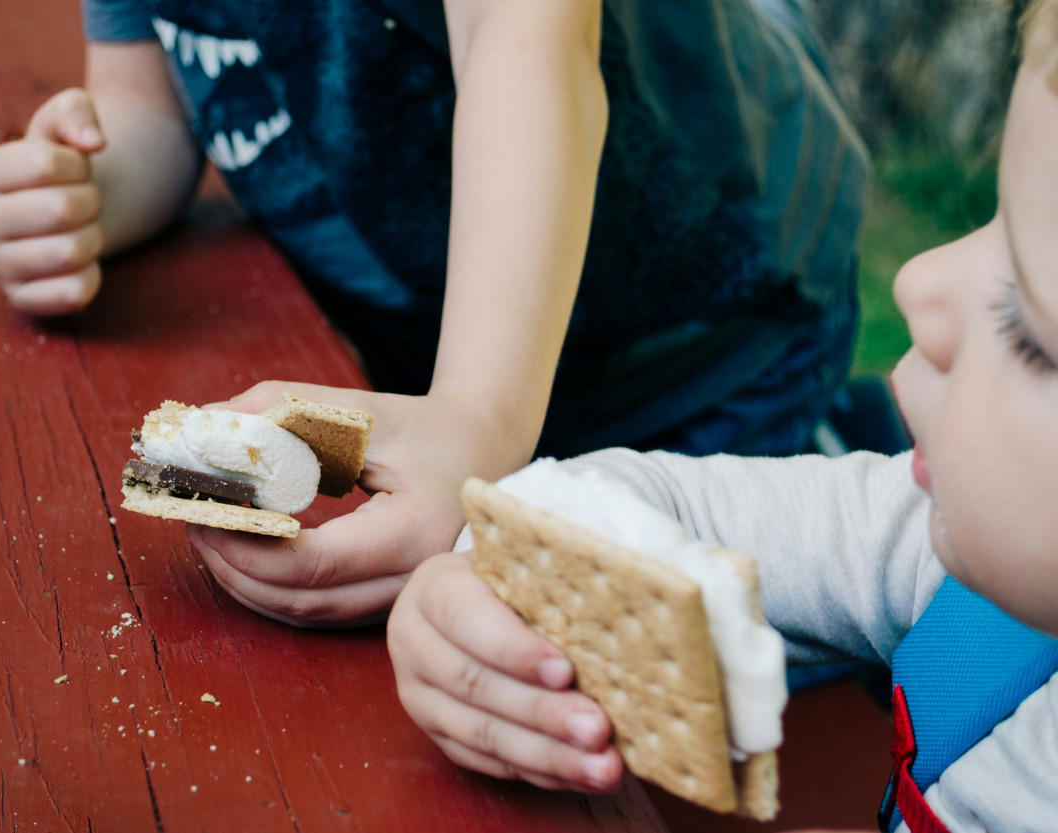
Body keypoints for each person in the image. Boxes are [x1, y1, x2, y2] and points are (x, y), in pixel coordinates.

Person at [0, 0, 868, 625]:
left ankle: (853, 453)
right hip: (444, 353)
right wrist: (85, 193)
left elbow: (525, 49)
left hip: (703, 338)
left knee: (683, 660)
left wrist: (476, 418)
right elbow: (148, 104)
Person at [386, 3, 1058, 827]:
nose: (919, 281)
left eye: (1030, 328)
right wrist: (486, 587)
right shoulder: (936, 547)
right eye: (990, 220)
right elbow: (646, 510)